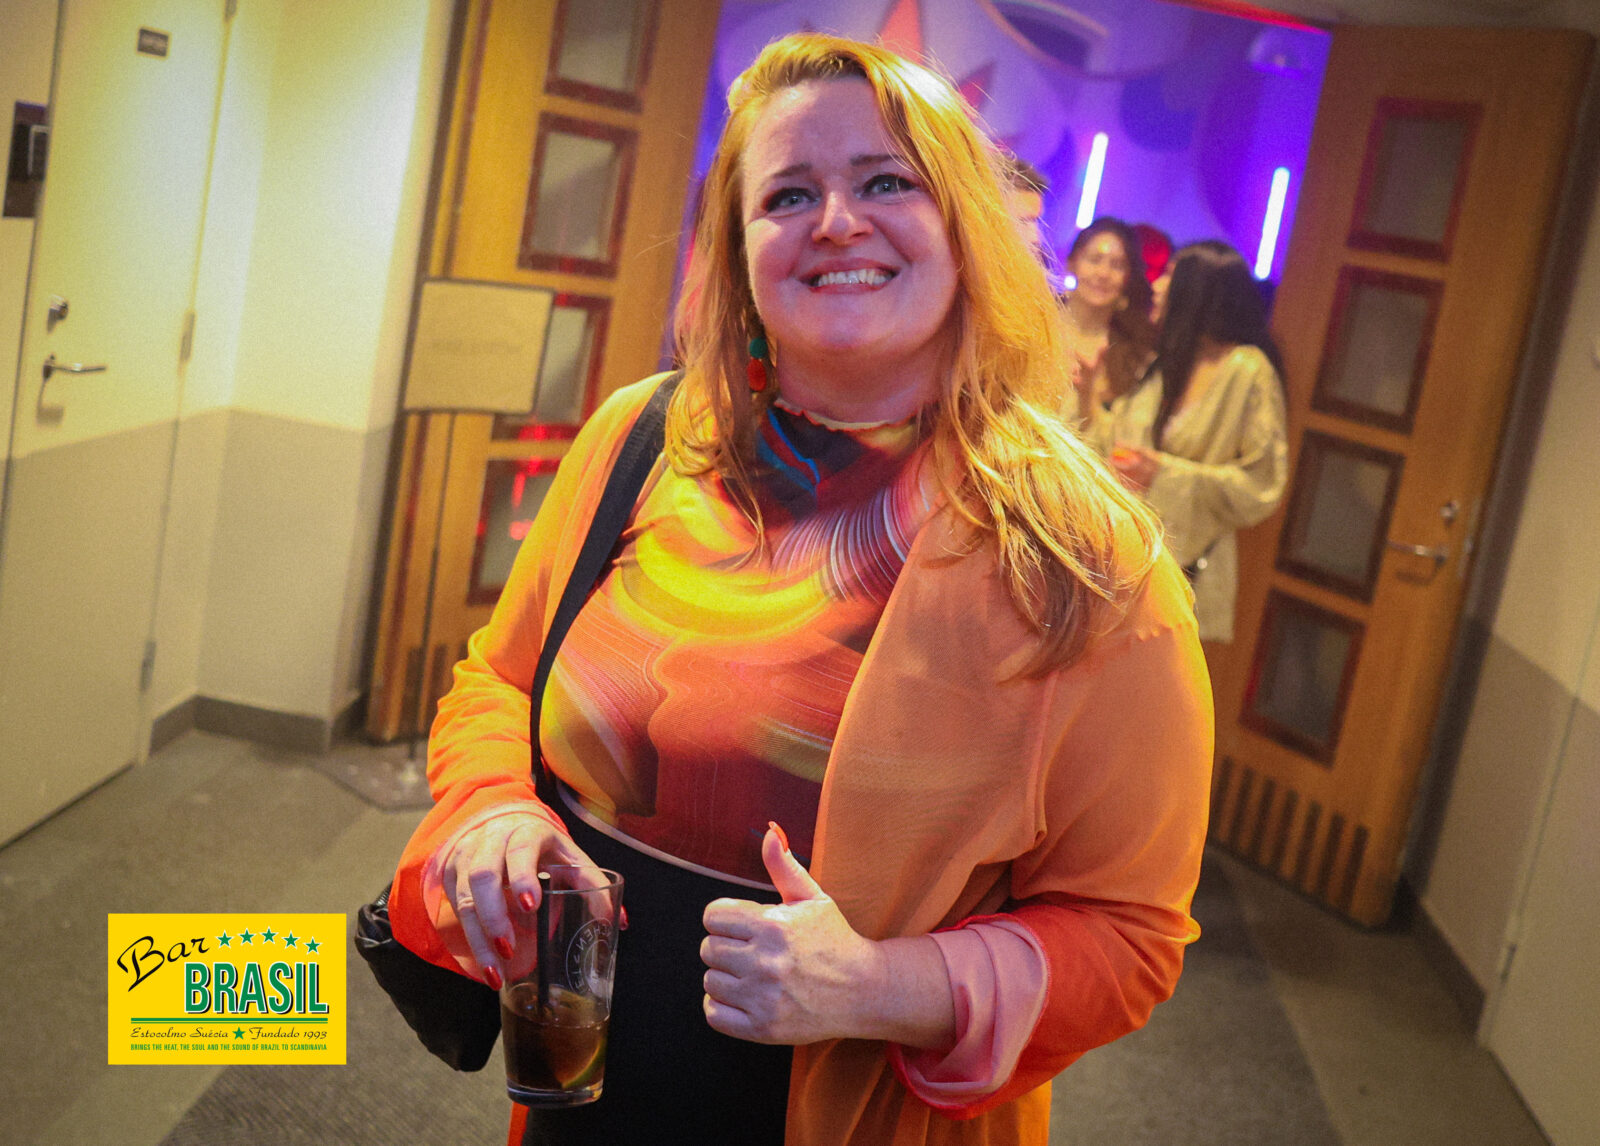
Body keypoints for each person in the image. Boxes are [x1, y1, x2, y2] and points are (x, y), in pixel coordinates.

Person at [386, 33, 1213, 1146]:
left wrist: (883, 986)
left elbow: (1129, 935)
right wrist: (493, 806)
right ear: (738, 253)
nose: (835, 221)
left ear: (966, 229)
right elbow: (501, 679)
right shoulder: (641, 436)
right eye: (786, 195)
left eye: (886, 183)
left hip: (861, 1110)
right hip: (584, 1082)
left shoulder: (1084, 557)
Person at [1084, 240, 1289, 644]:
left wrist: (1164, 473)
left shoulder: (1247, 370)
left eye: (1169, 277)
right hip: (1124, 564)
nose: (1157, 286)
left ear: (1197, 294)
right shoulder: (1170, 362)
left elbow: (1262, 484)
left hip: (1189, 572)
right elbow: (1114, 441)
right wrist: (1087, 394)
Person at [1060, 217, 1155, 422]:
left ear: (1128, 277)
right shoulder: (1038, 322)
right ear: (1072, 262)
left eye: (1117, 265)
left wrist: (1088, 395)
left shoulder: (1136, 351)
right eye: (1094, 260)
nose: (1103, 273)